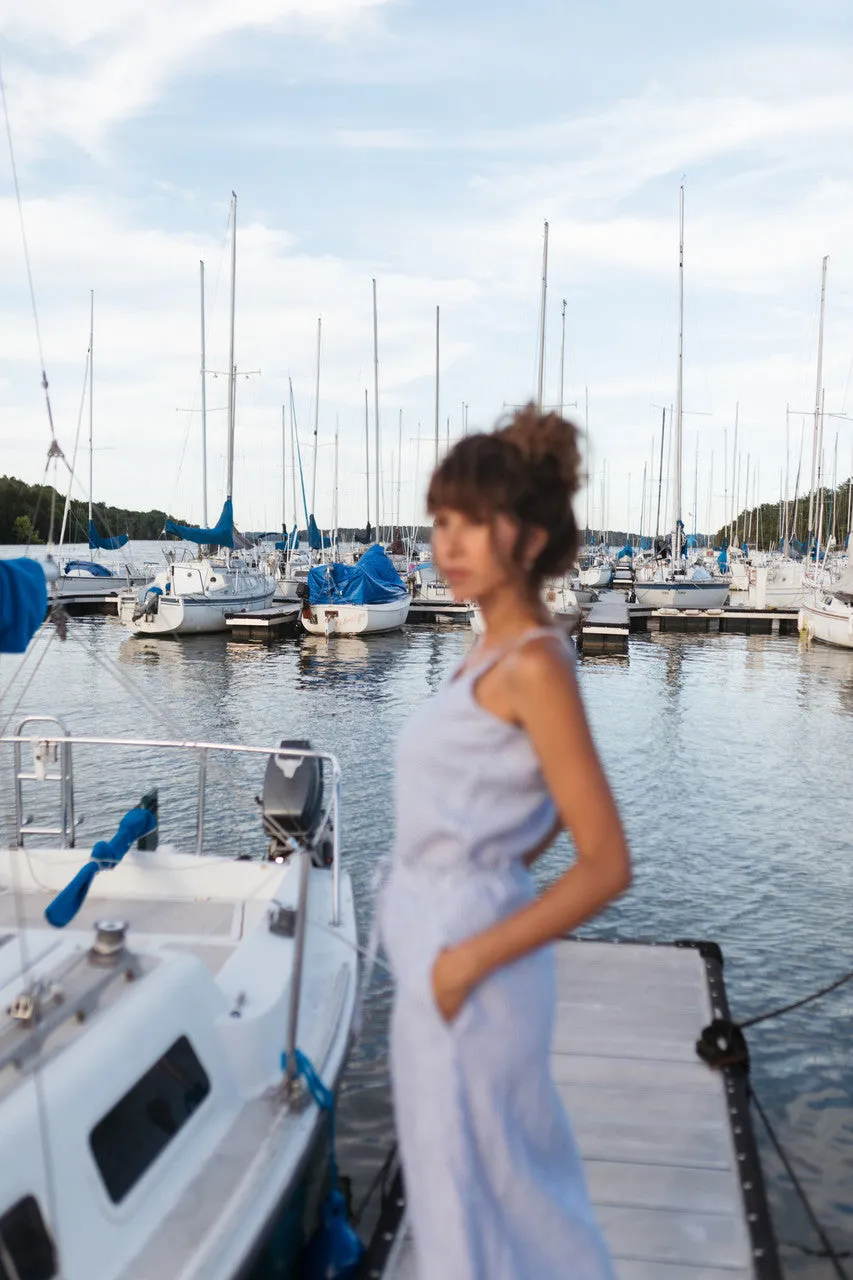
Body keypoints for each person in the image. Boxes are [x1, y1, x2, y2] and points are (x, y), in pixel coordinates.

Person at [379, 404, 631, 1278]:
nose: (446, 544)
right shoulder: (490, 653)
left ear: (523, 538)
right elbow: (543, 797)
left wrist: (464, 954)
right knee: (470, 1193)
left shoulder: (530, 660)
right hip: (444, 940)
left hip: (469, 962)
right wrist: (495, 851)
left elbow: (605, 862)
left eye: (471, 524)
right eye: (439, 521)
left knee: (482, 1202)